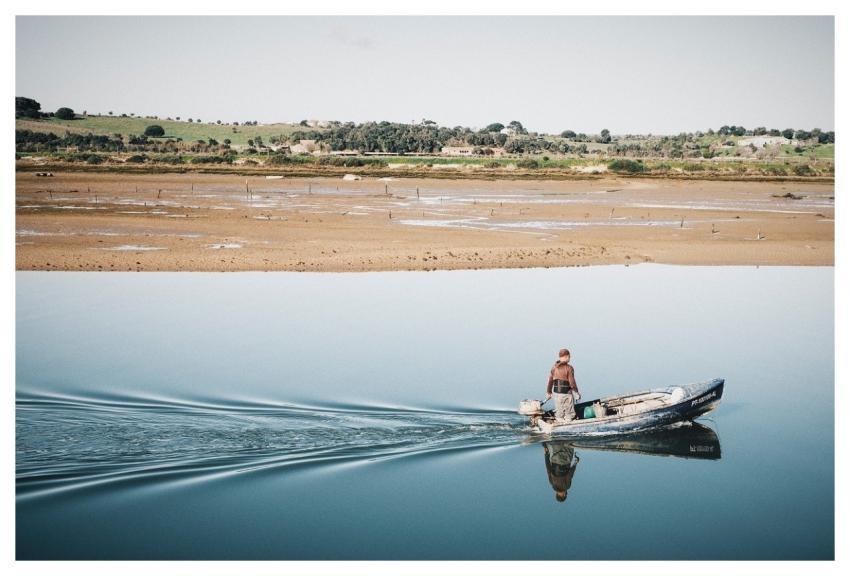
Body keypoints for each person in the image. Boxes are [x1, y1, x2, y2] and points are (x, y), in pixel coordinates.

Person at [546, 348, 580, 423]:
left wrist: (548, 392)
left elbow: (550, 380)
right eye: (569, 356)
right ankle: (568, 422)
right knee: (569, 413)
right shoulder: (569, 368)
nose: (570, 358)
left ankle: (559, 420)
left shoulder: (553, 367)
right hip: (566, 394)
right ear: (566, 356)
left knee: (559, 412)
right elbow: (572, 382)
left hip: (556, 394)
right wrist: (576, 392)